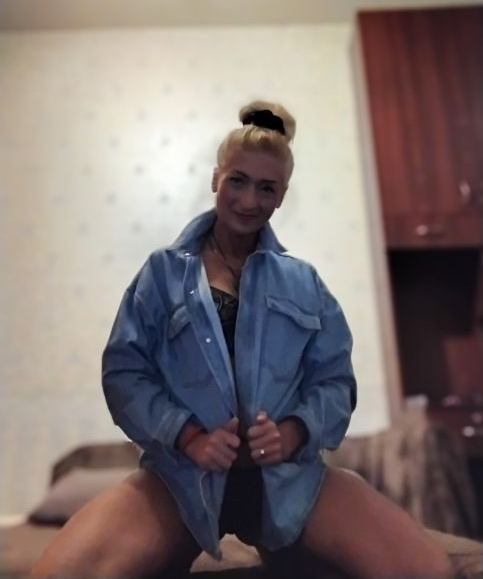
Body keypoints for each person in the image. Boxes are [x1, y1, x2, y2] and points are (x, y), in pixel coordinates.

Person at [31, 101, 452, 579]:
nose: (249, 200)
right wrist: (189, 438)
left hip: (291, 483)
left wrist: (294, 432)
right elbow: (125, 375)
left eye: (266, 188)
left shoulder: (304, 283)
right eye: (238, 181)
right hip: (181, 481)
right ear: (216, 178)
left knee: (426, 570)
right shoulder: (161, 274)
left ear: (281, 196)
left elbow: (335, 381)